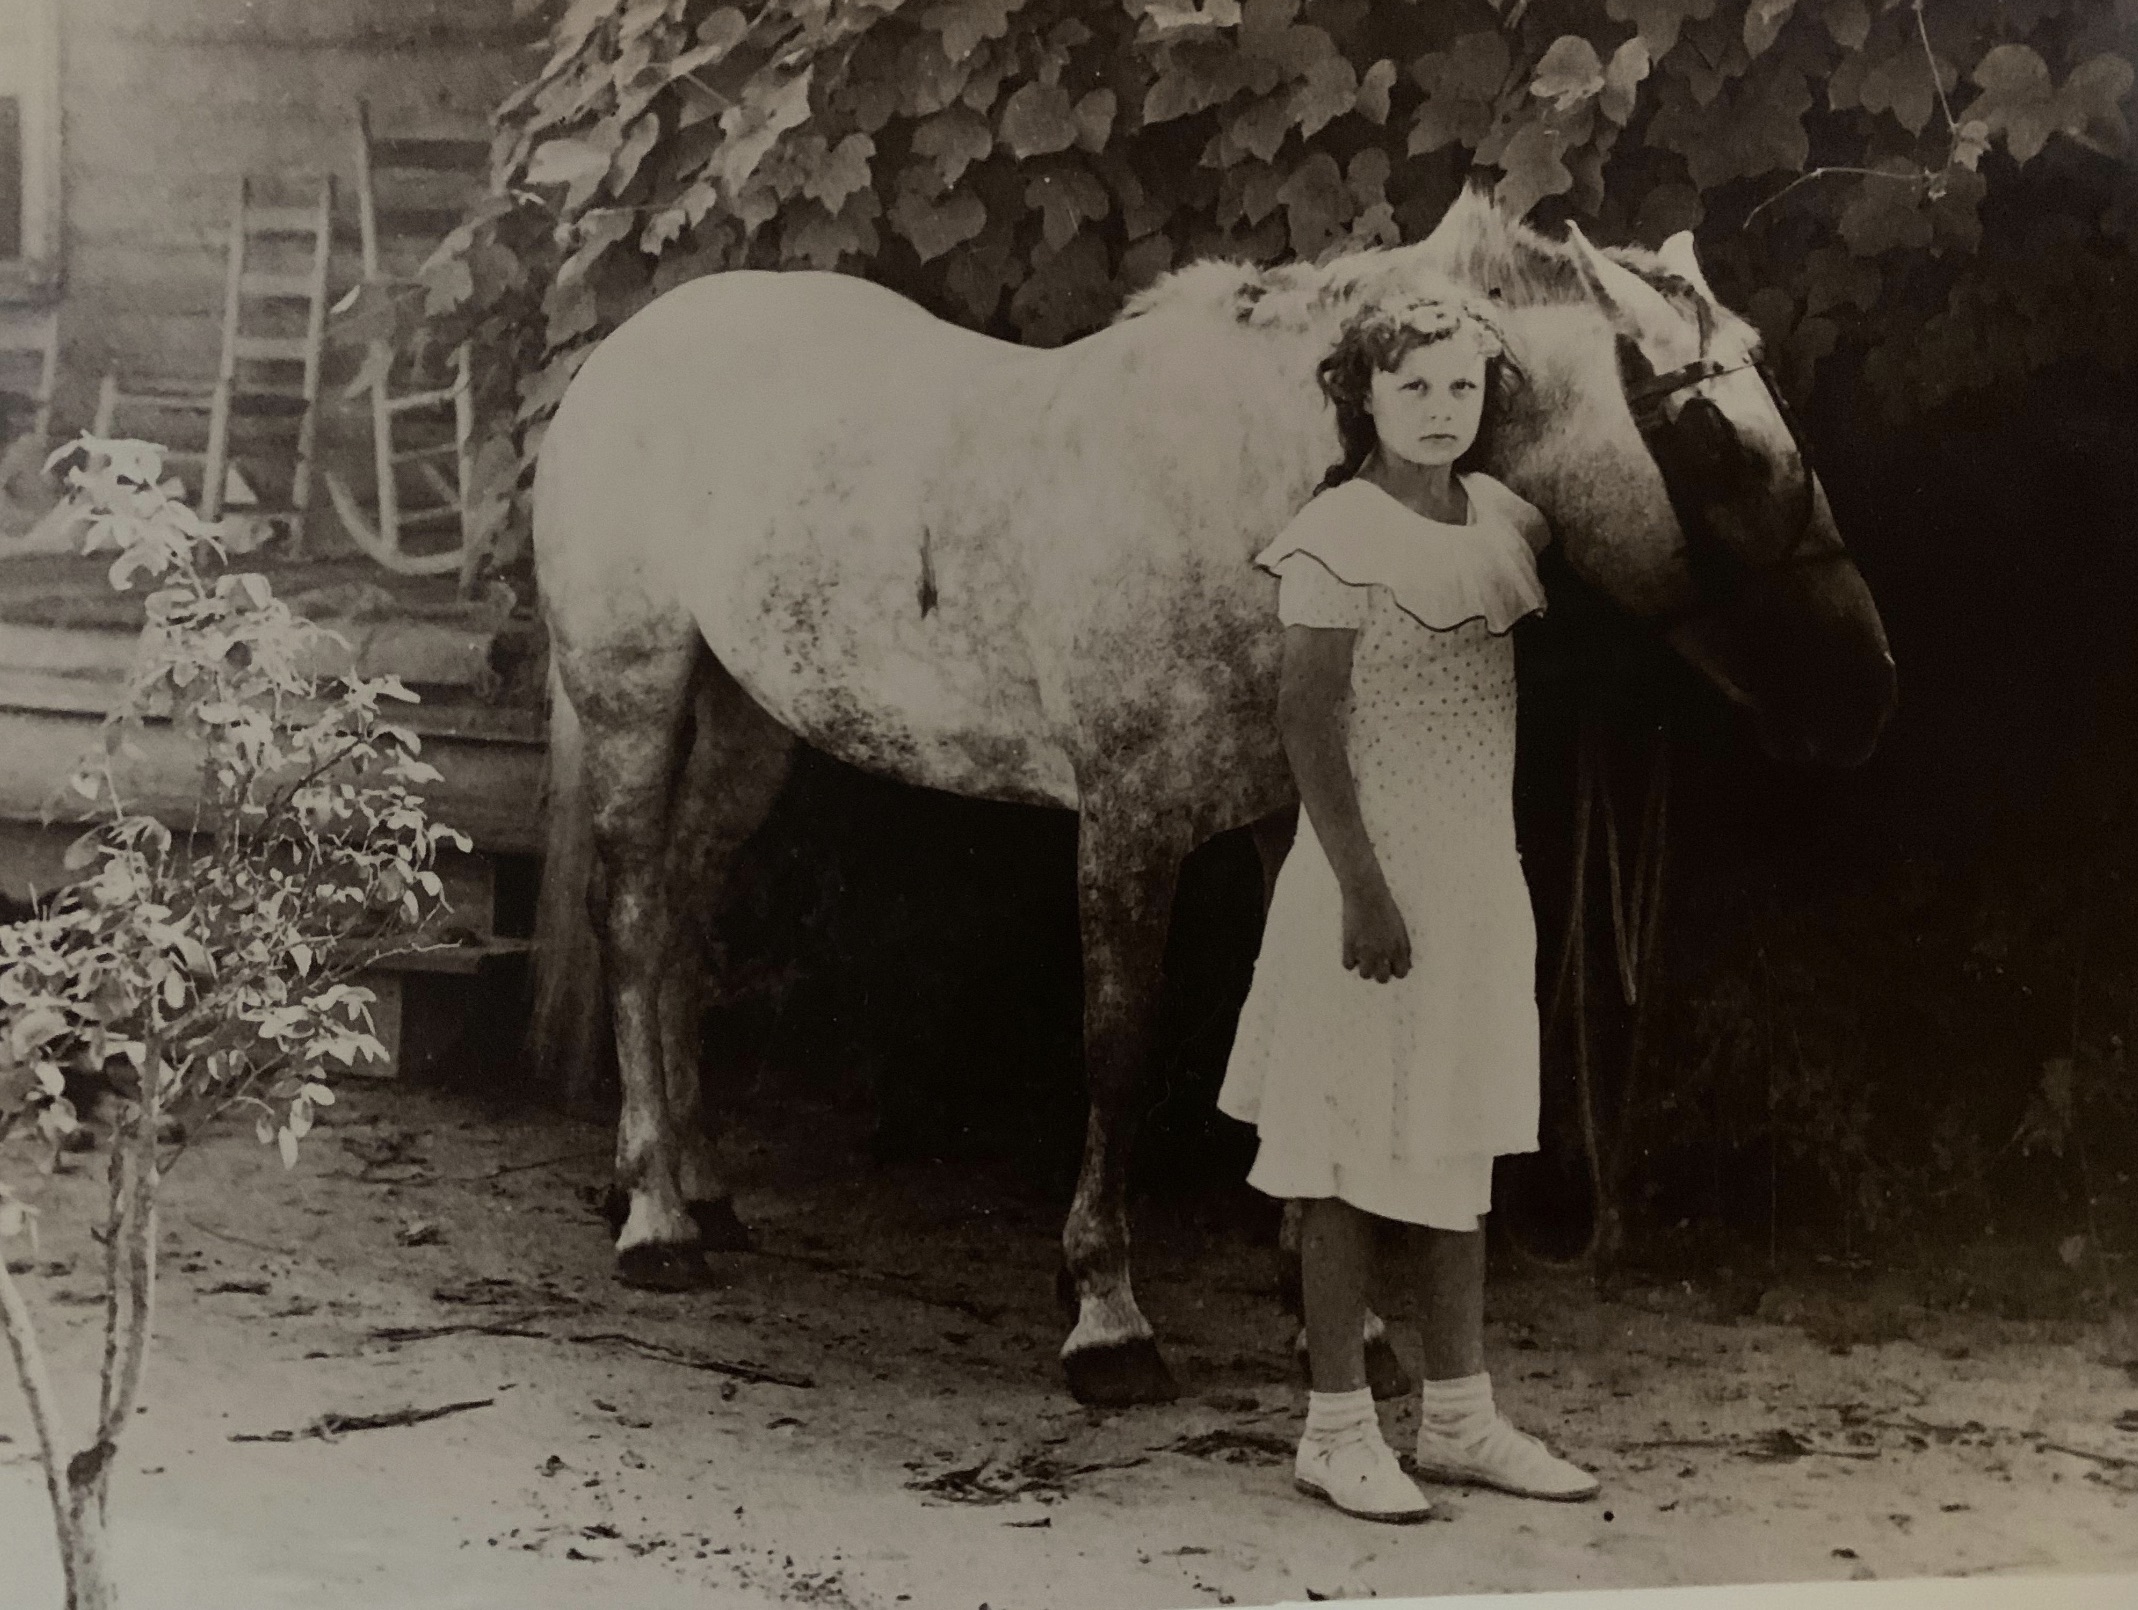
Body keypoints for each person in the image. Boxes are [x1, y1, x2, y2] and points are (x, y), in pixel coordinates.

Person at [1219, 290, 1599, 1523]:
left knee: (1456, 1137)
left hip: (1476, 883)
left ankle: (1456, 1416)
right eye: (1412, 387)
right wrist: (1363, 888)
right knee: (1335, 1152)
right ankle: (1334, 1426)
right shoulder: (1334, 533)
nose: (1439, 411)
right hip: (1362, 889)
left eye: (1459, 388)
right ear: (1362, 397)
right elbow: (1304, 722)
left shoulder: (1502, 520)